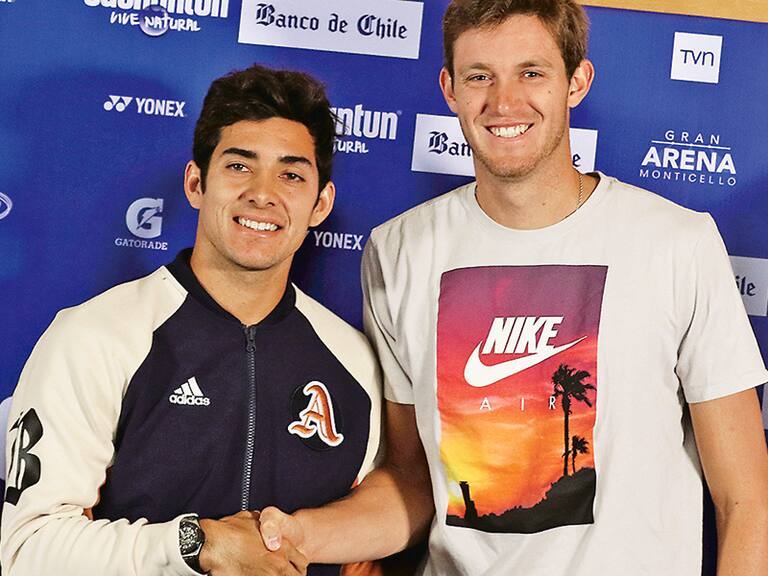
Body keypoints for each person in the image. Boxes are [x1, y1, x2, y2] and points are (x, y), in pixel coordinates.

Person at [257, 1, 768, 574]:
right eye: (480, 77)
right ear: (449, 88)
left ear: (576, 81)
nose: (503, 103)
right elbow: (412, 479)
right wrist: (295, 537)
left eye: (531, 72)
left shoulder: (678, 243)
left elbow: (746, 500)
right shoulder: (398, 250)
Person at [1, 64, 382, 576]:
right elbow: (28, 549)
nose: (263, 193)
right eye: (240, 166)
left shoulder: (355, 361)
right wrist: (194, 544)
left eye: (291, 174)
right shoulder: (95, 337)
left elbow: (379, 533)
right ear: (196, 182)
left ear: (321, 203)